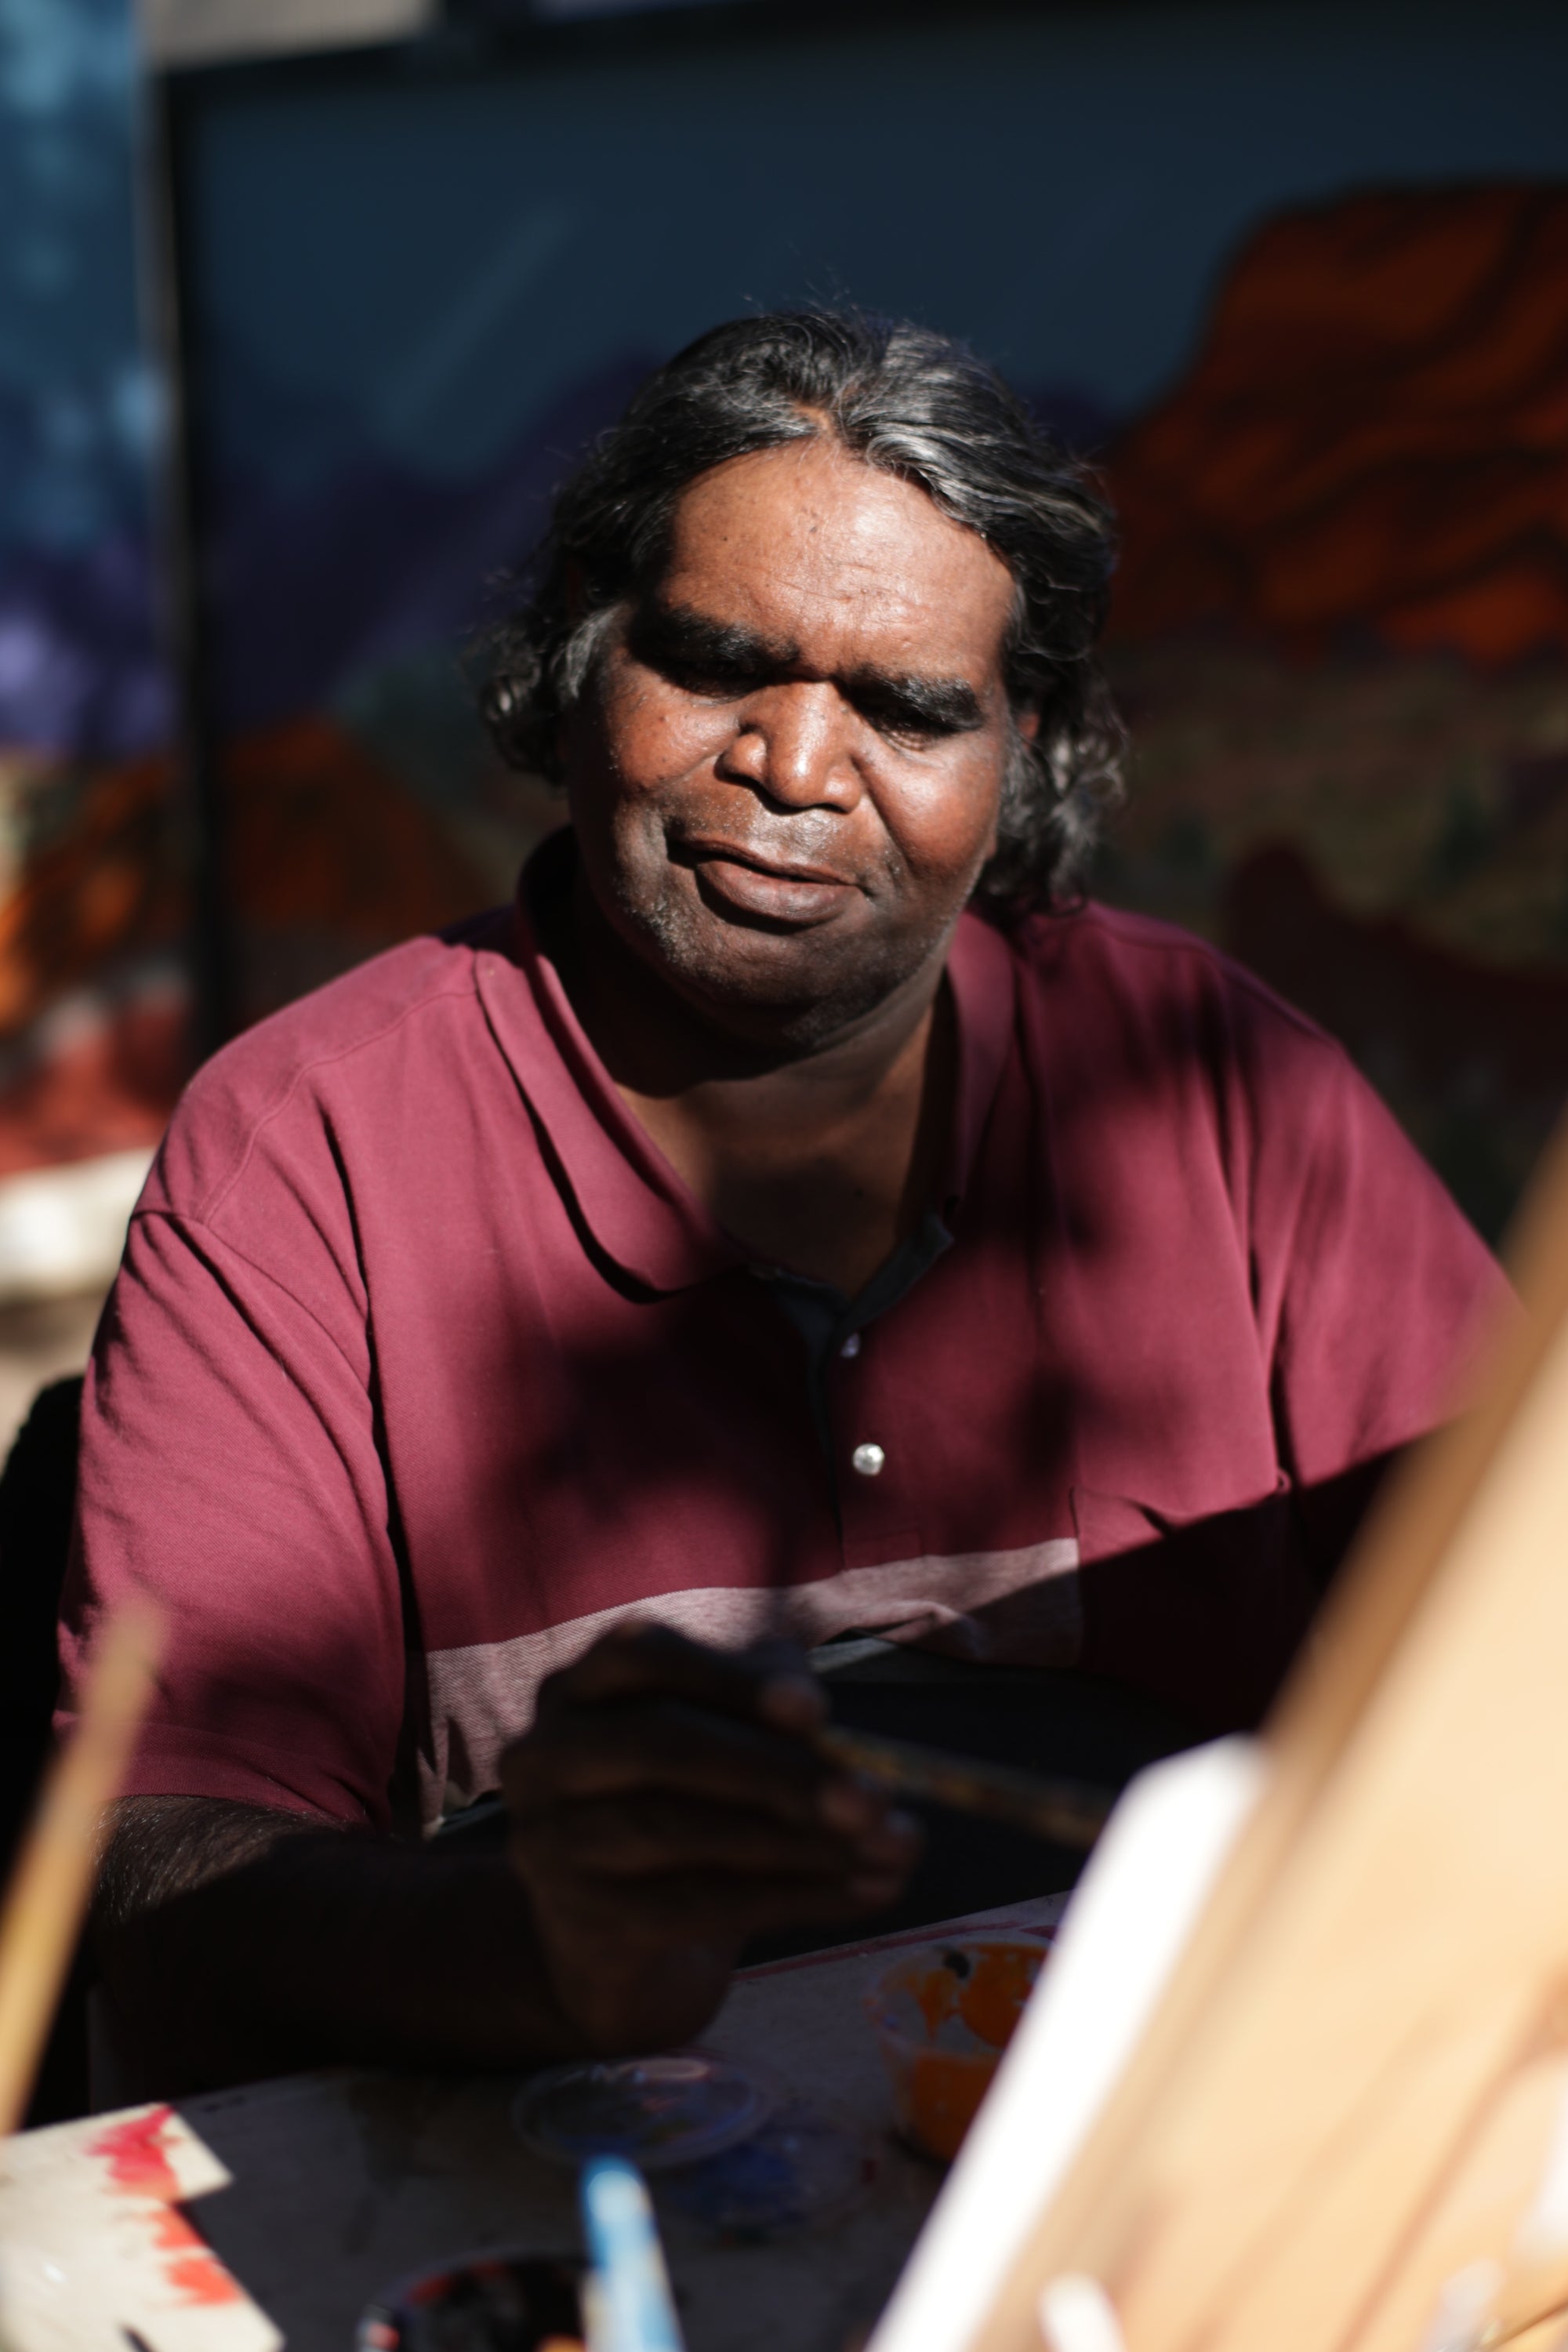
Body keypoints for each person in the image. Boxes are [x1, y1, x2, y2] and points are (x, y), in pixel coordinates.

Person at [59, 311, 1504, 2094]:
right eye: (720, 663)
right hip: (581, 2158)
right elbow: (156, 1851)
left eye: (906, 707)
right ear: (584, 655)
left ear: (1020, 745)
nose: (799, 771)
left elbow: (1514, 1630)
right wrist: (536, 1954)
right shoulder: (307, 1145)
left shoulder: (1207, 1077)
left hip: (1173, 2140)